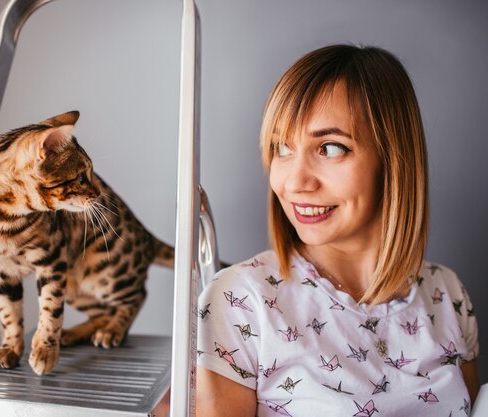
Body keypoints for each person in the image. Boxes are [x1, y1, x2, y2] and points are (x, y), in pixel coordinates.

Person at [196, 44, 479, 416]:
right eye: (281, 147)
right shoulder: (240, 302)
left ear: (392, 160)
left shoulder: (447, 295)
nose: (295, 182)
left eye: (330, 148)